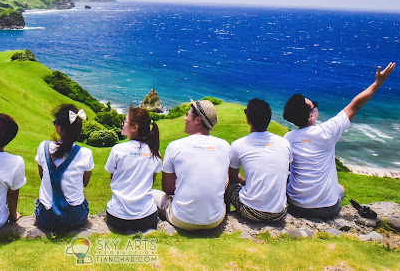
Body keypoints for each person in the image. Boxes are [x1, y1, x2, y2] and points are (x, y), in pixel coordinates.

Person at [283, 62, 396, 219]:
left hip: (296, 205)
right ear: (311, 115)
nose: (315, 106)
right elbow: (355, 105)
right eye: (312, 105)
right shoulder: (327, 131)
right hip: (326, 209)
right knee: (340, 189)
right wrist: (378, 83)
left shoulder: (288, 138)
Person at [152, 99, 231, 231]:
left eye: (188, 115)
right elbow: (225, 181)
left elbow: (167, 189)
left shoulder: (175, 146)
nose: (185, 118)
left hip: (182, 220)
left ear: (198, 120)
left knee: (151, 193)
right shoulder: (225, 146)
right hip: (215, 220)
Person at [226, 98, 292, 222]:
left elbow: (233, 178)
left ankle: (225, 216)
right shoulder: (284, 143)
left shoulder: (238, 145)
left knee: (228, 183)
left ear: (248, 120)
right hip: (279, 212)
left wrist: (247, 182)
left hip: (251, 211)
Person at [35, 104, 94, 231]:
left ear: (59, 128)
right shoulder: (85, 153)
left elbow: (42, 175)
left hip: (47, 218)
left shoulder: (43, 147)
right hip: (76, 217)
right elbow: (84, 182)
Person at [105, 106, 162, 232]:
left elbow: (113, 178)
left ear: (134, 127)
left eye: (125, 121)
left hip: (117, 217)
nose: (122, 124)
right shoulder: (153, 152)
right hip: (146, 217)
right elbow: (151, 182)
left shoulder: (118, 150)